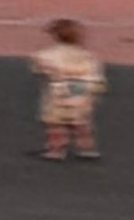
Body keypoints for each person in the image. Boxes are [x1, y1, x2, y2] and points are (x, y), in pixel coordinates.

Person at [32, 16, 107, 161]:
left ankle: (56, 149)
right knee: (80, 119)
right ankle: (87, 147)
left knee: (56, 122)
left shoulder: (50, 55)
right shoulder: (87, 55)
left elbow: (40, 66)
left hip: (62, 88)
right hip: (85, 88)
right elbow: (96, 71)